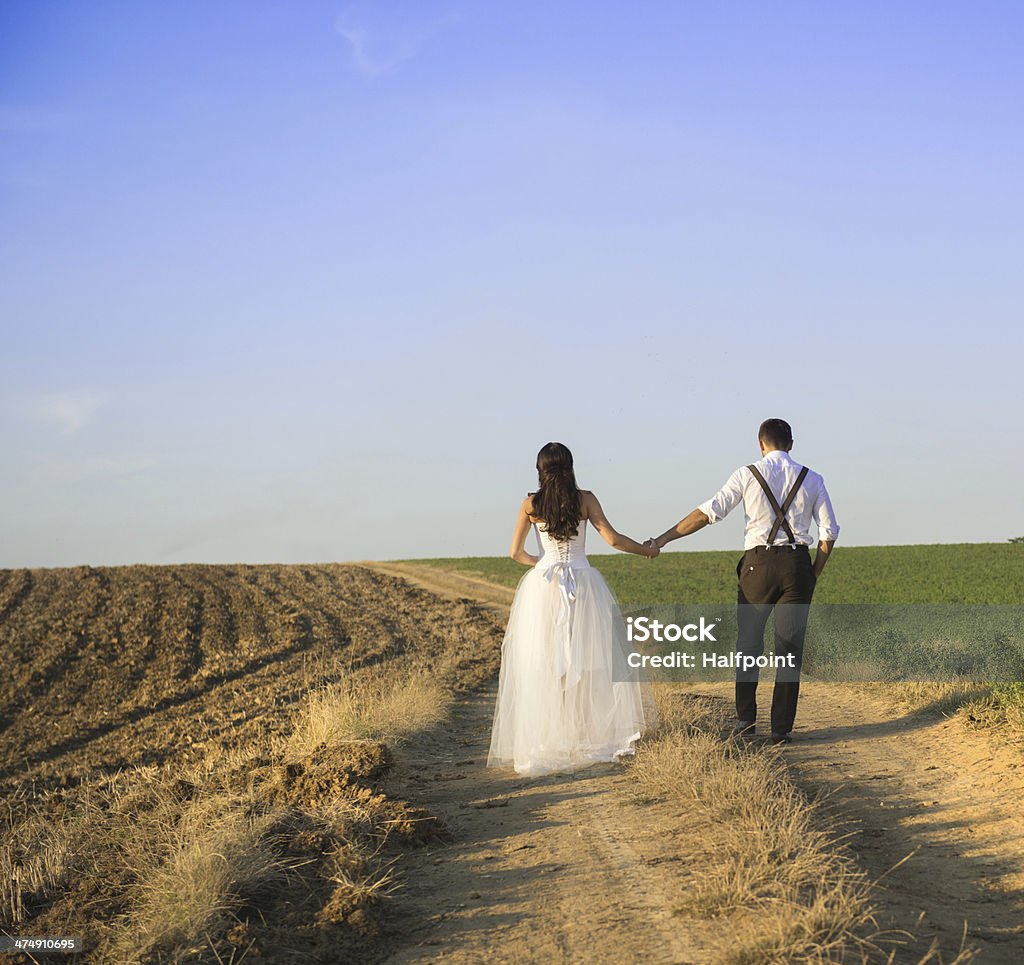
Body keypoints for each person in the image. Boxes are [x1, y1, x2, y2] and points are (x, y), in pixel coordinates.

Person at [648, 419, 839, 744]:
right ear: (791, 444)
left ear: (760, 444)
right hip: (796, 565)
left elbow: (708, 513)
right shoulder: (813, 478)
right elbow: (830, 531)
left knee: (748, 645)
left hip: (757, 565)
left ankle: (746, 721)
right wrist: (812, 573)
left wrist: (662, 540)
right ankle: (781, 729)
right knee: (789, 651)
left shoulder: (746, 474)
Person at [487, 442, 658, 776]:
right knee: (587, 659)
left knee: (549, 662)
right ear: (570, 467)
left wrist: (541, 564)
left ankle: (552, 737)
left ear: (540, 469)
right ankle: (583, 733)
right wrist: (646, 551)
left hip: (544, 587)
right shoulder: (586, 499)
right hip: (583, 583)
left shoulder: (530, 505)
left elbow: (514, 553)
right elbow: (613, 539)